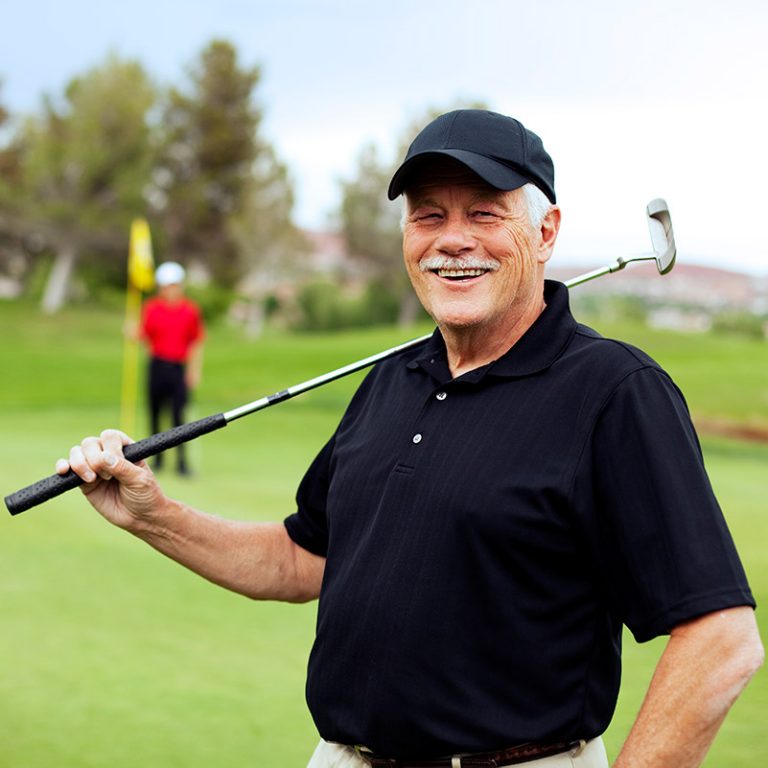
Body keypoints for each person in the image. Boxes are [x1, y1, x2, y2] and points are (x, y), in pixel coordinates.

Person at [56, 110, 762, 768]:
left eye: (484, 213)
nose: (452, 239)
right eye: (429, 215)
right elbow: (304, 559)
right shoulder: (393, 379)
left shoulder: (615, 391)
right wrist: (154, 514)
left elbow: (721, 638)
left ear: (546, 233)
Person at [140, 261, 205, 476]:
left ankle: (182, 462)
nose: (171, 290)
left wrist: (194, 371)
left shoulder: (190, 310)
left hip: (178, 368)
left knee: (179, 417)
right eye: (167, 286)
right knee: (155, 414)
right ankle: (157, 460)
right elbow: (145, 337)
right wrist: (133, 333)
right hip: (156, 366)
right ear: (160, 287)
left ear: (181, 286)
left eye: (174, 285)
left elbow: (195, 342)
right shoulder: (152, 308)